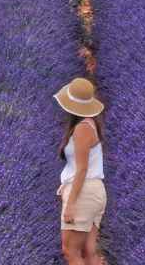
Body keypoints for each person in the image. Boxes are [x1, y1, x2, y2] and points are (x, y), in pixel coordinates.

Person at [54, 77, 106, 265]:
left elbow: (82, 169)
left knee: (70, 251)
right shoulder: (90, 123)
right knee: (89, 251)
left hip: (83, 192)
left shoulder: (82, 129)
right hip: (94, 191)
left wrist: (70, 204)